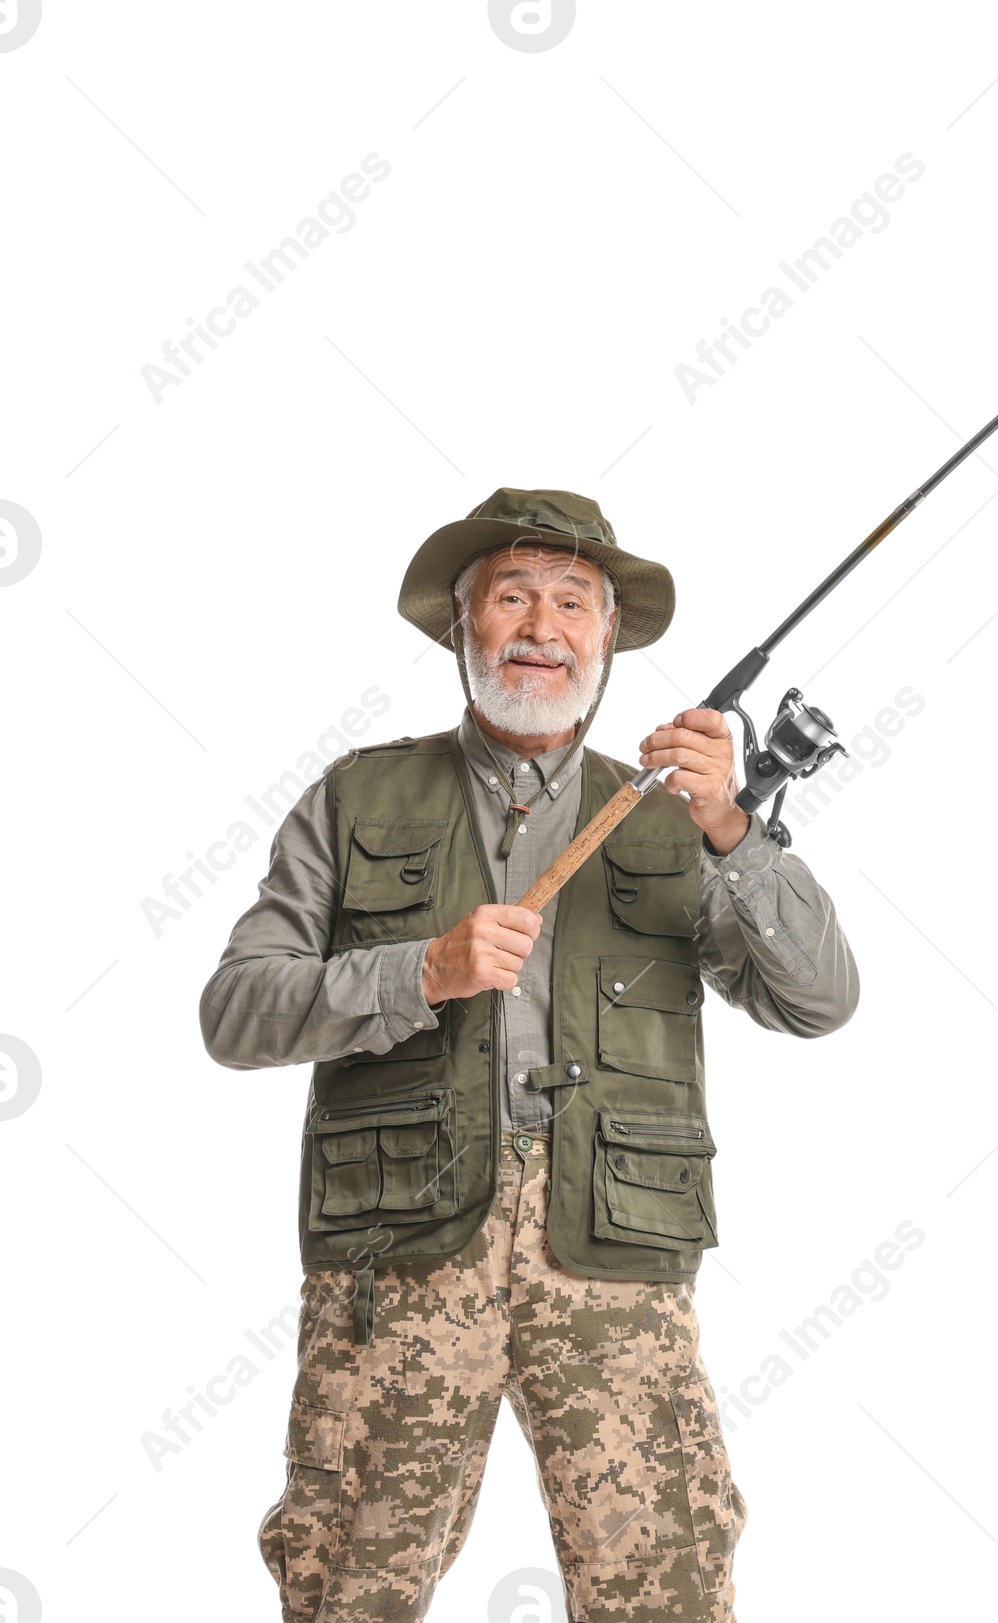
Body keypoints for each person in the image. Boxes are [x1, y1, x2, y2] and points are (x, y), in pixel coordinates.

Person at [199, 488, 860, 1622]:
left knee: (667, 1585)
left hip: (613, 1250)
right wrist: (418, 973)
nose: (540, 629)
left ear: (607, 639)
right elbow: (236, 1013)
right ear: (464, 627)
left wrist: (733, 837)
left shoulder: (670, 813)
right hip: (397, 1254)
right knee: (343, 1584)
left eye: (571, 603)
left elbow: (817, 1000)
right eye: (510, 597)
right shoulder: (356, 795)